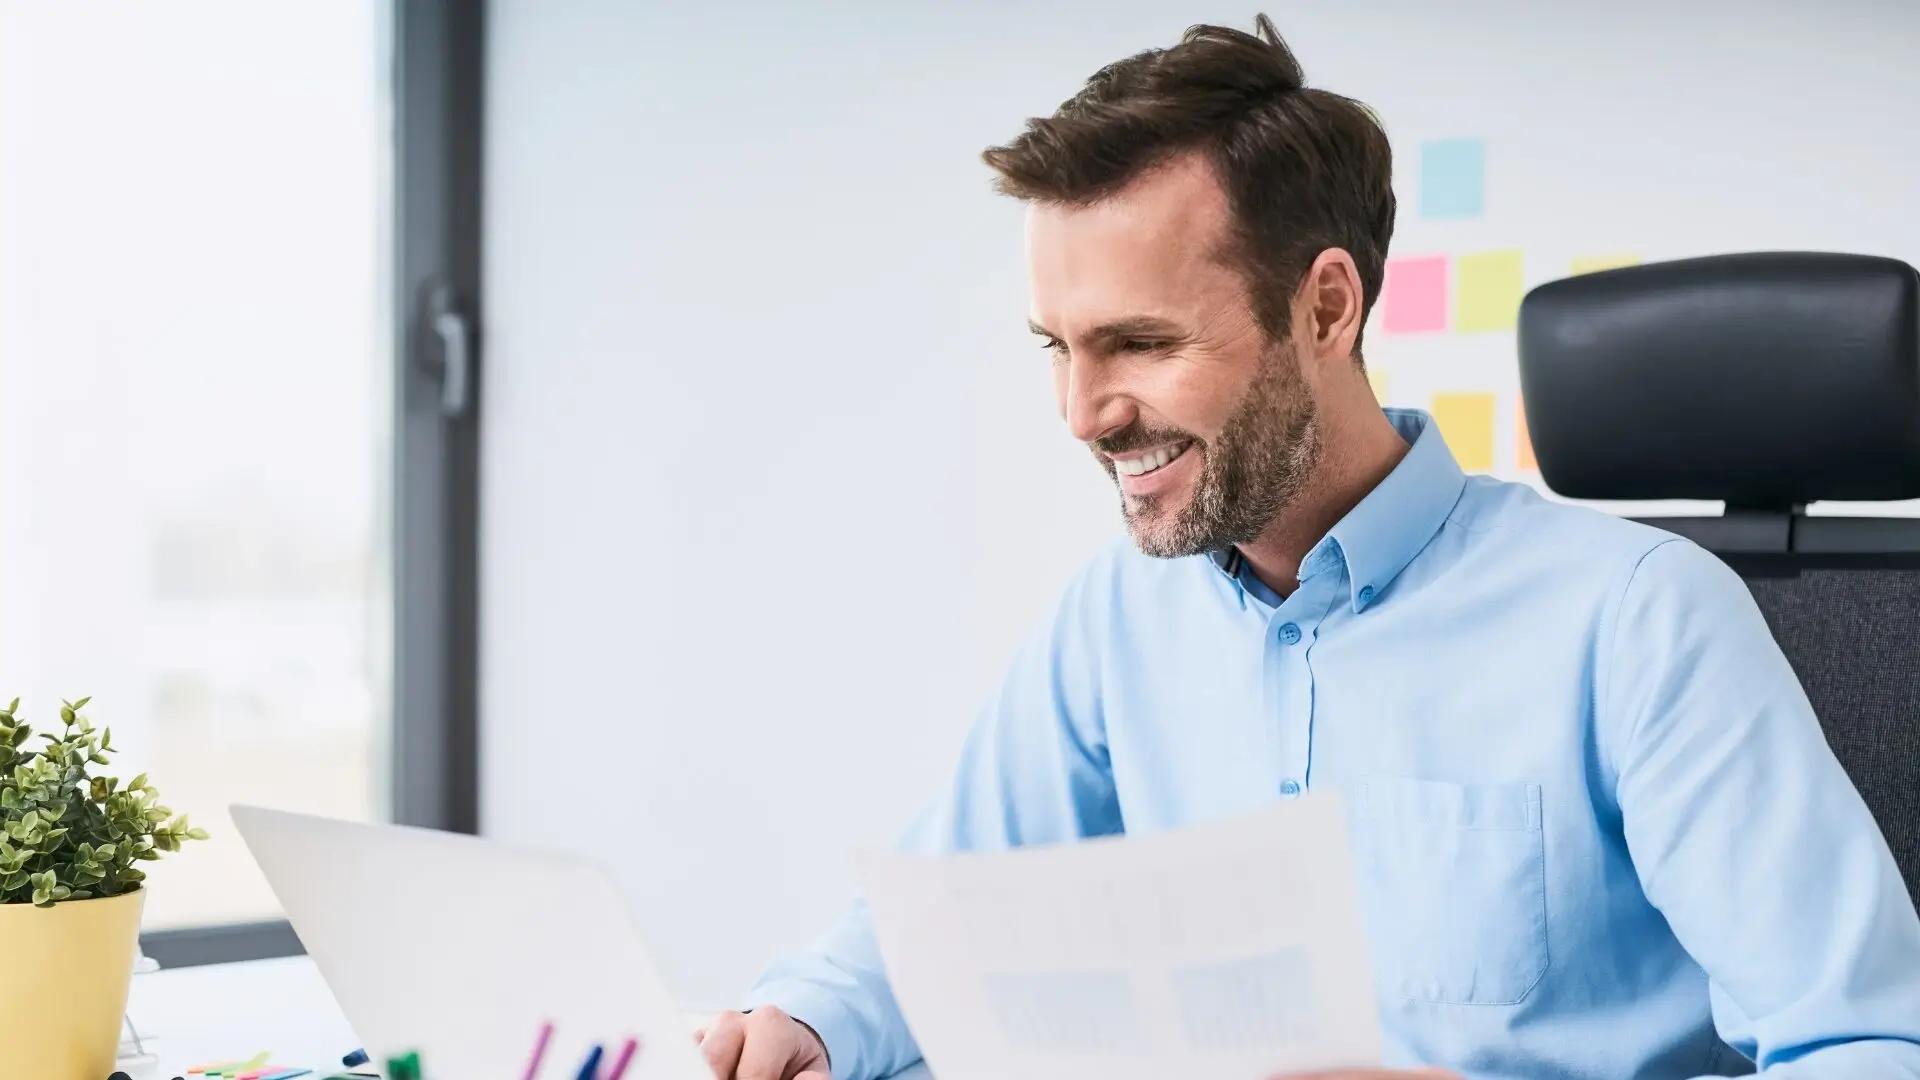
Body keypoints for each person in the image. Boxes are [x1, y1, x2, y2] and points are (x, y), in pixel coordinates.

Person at [697, 15, 1920, 1080]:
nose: (1084, 413)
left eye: (1137, 342)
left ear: (1325, 307)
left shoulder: (1640, 622)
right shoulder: (1118, 624)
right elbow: (936, 926)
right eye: (1057, 348)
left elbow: (1872, 1050)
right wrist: (810, 1015)